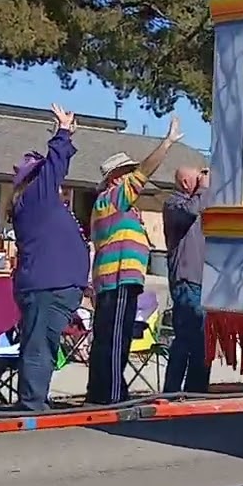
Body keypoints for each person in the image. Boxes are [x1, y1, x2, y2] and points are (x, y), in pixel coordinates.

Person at [86, 116, 182, 405]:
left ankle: (100, 393)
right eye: (127, 173)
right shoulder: (113, 197)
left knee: (108, 337)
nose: (135, 178)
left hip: (116, 280)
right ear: (116, 178)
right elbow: (144, 171)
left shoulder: (116, 205)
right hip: (118, 278)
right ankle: (114, 394)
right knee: (116, 339)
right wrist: (167, 143)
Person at [9, 104, 91, 412]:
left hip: (51, 285)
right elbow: (56, 164)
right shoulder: (36, 196)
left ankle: (35, 399)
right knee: (40, 345)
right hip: (46, 286)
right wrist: (63, 132)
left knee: (43, 343)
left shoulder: (40, 204)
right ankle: (32, 404)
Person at [162, 166, 210, 395]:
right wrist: (203, 189)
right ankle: (171, 392)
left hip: (203, 282)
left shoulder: (199, 204)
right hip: (185, 281)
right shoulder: (173, 204)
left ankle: (195, 392)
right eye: (196, 179)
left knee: (202, 342)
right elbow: (190, 212)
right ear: (184, 182)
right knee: (185, 340)